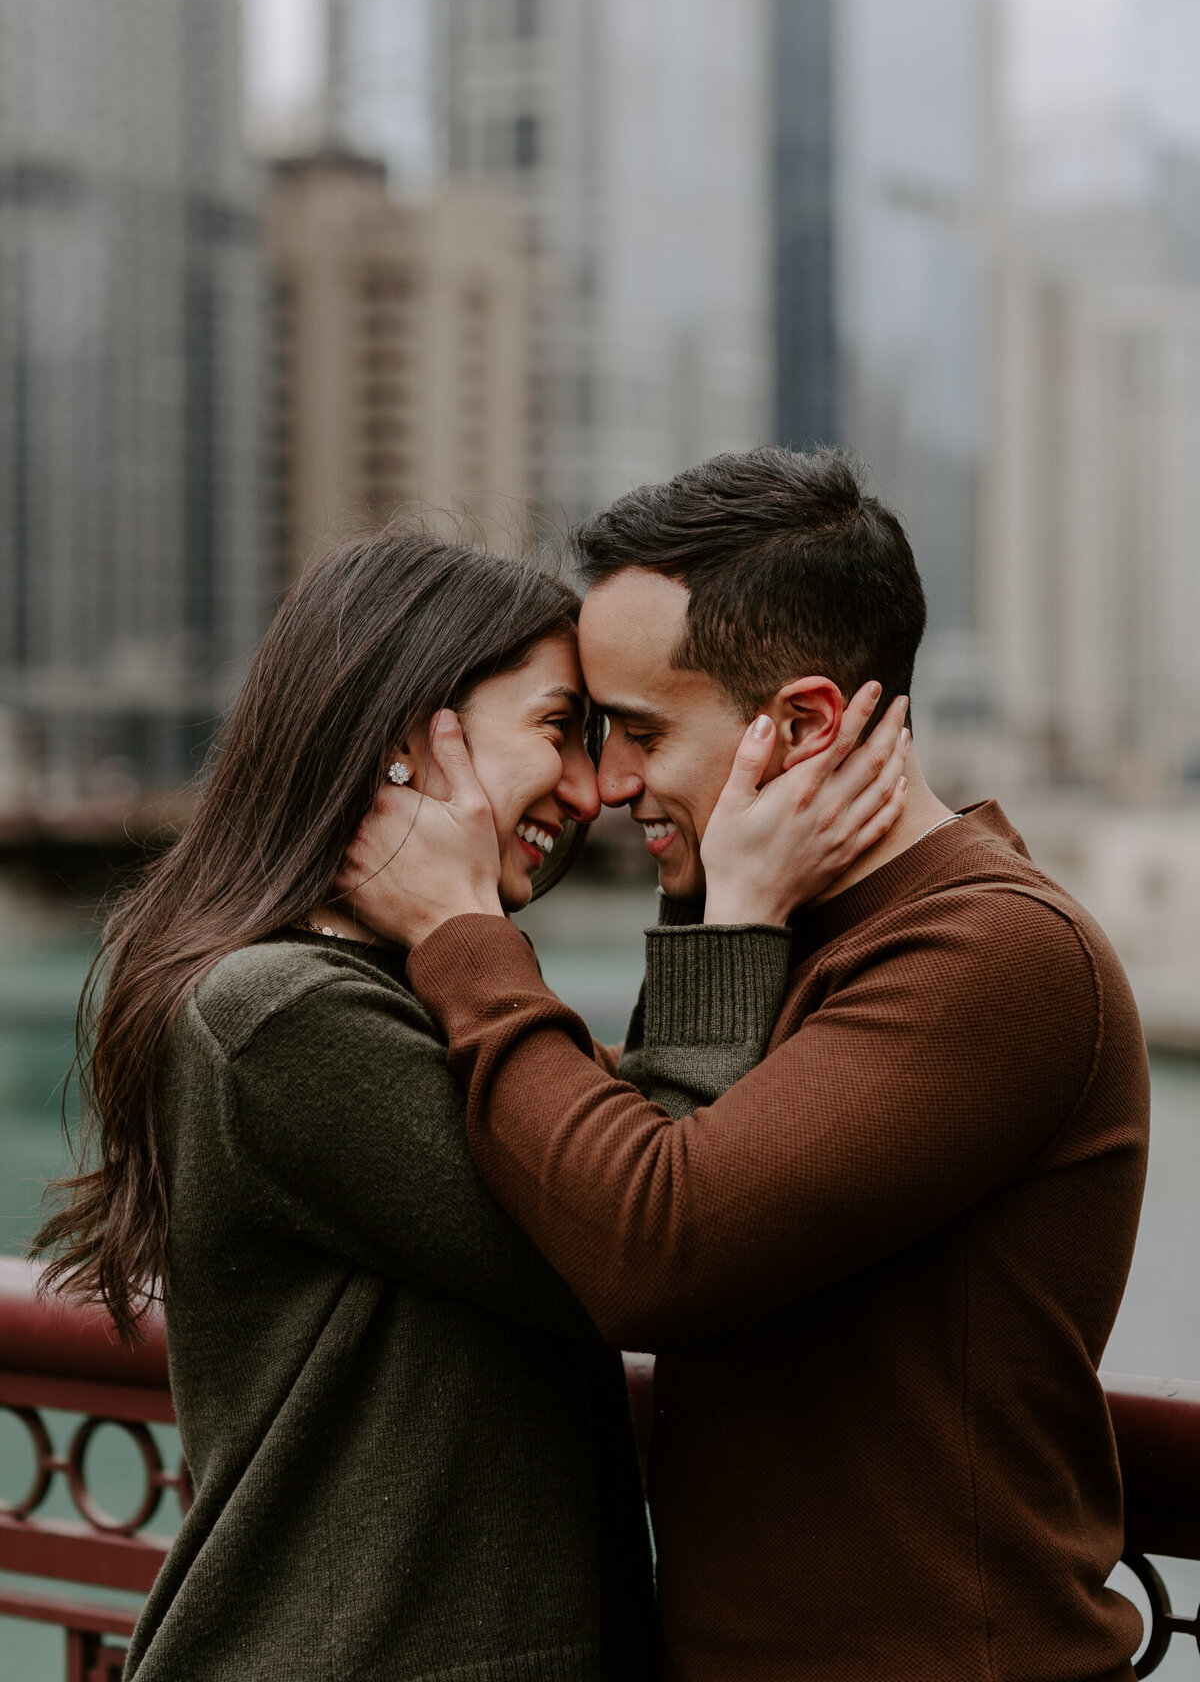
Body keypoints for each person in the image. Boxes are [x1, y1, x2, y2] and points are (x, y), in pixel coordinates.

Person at [33, 524, 907, 1682]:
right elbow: (646, 1234)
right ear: (406, 737)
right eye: (560, 730)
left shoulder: (414, 997)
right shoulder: (280, 1015)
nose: (595, 789)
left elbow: (622, 1151)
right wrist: (733, 914)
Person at [340, 448, 1152, 1682]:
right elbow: (617, 1139)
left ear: (808, 723)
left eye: (641, 733)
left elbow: (653, 1243)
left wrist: (463, 937)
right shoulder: (785, 933)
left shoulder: (996, 955)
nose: (608, 787)